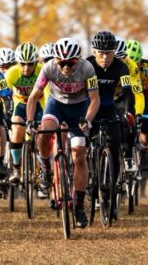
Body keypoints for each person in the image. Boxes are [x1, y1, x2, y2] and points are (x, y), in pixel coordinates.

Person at [25, 37, 100, 228]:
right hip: (56, 105)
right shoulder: (48, 67)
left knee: (79, 156)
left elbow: (94, 99)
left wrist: (87, 120)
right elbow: (33, 97)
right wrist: (30, 121)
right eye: (62, 63)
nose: (66, 67)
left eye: (70, 63)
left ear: (77, 60)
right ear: (56, 60)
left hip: (79, 108)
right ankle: (45, 167)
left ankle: (79, 206)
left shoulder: (87, 69)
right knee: (45, 131)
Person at [86, 31, 137, 216]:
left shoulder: (121, 67)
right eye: (101, 53)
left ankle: (112, 189)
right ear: (94, 51)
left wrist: (128, 112)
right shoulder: (87, 65)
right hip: (90, 108)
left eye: (109, 53)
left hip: (109, 108)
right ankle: (90, 179)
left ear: (114, 52)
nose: (105, 58)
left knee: (114, 146)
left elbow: (128, 93)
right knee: (85, 146)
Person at [5, 42, 45, 189]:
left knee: (41, 132)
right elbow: (3, 93)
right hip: (20, 104)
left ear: (36, 63)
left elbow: (48, 93)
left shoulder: (42, 71)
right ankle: (16, 168)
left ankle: (41, 169)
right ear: (18, 63)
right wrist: (4, 112)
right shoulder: (12, 73)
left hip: (39, 104)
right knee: (16, 129)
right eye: (23, 64)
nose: (26, 68)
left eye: (30, 64)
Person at [125, 39, 148, 195]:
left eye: (137, 62)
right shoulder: (121, 65)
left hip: (144, 98)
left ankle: (144, 151)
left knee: (146, 124)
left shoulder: (147, 67)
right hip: (126, 96)